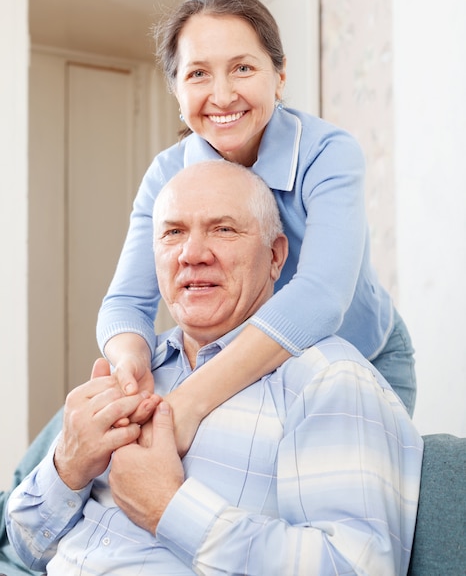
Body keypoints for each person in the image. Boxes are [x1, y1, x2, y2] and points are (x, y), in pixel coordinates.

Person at [7, 161, 423, 575]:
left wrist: (169, 509)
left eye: (223, 229)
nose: (192, 254)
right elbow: (23, 546)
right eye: (173, 232)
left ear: (276, 256)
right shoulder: (132, 368)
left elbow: (355, 567)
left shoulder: (328, 379)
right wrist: (69, 468)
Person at [97, 0, 416, 450]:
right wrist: (130, 364)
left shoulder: (328, 153)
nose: (223, 96)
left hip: (359, 360)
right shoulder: (167, 173)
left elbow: (321, 297)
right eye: (199, 74)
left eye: (243, 68)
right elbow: (126, 302)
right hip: (238, 369)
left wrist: (190, 400)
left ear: (279, 77)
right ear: (177, 89)